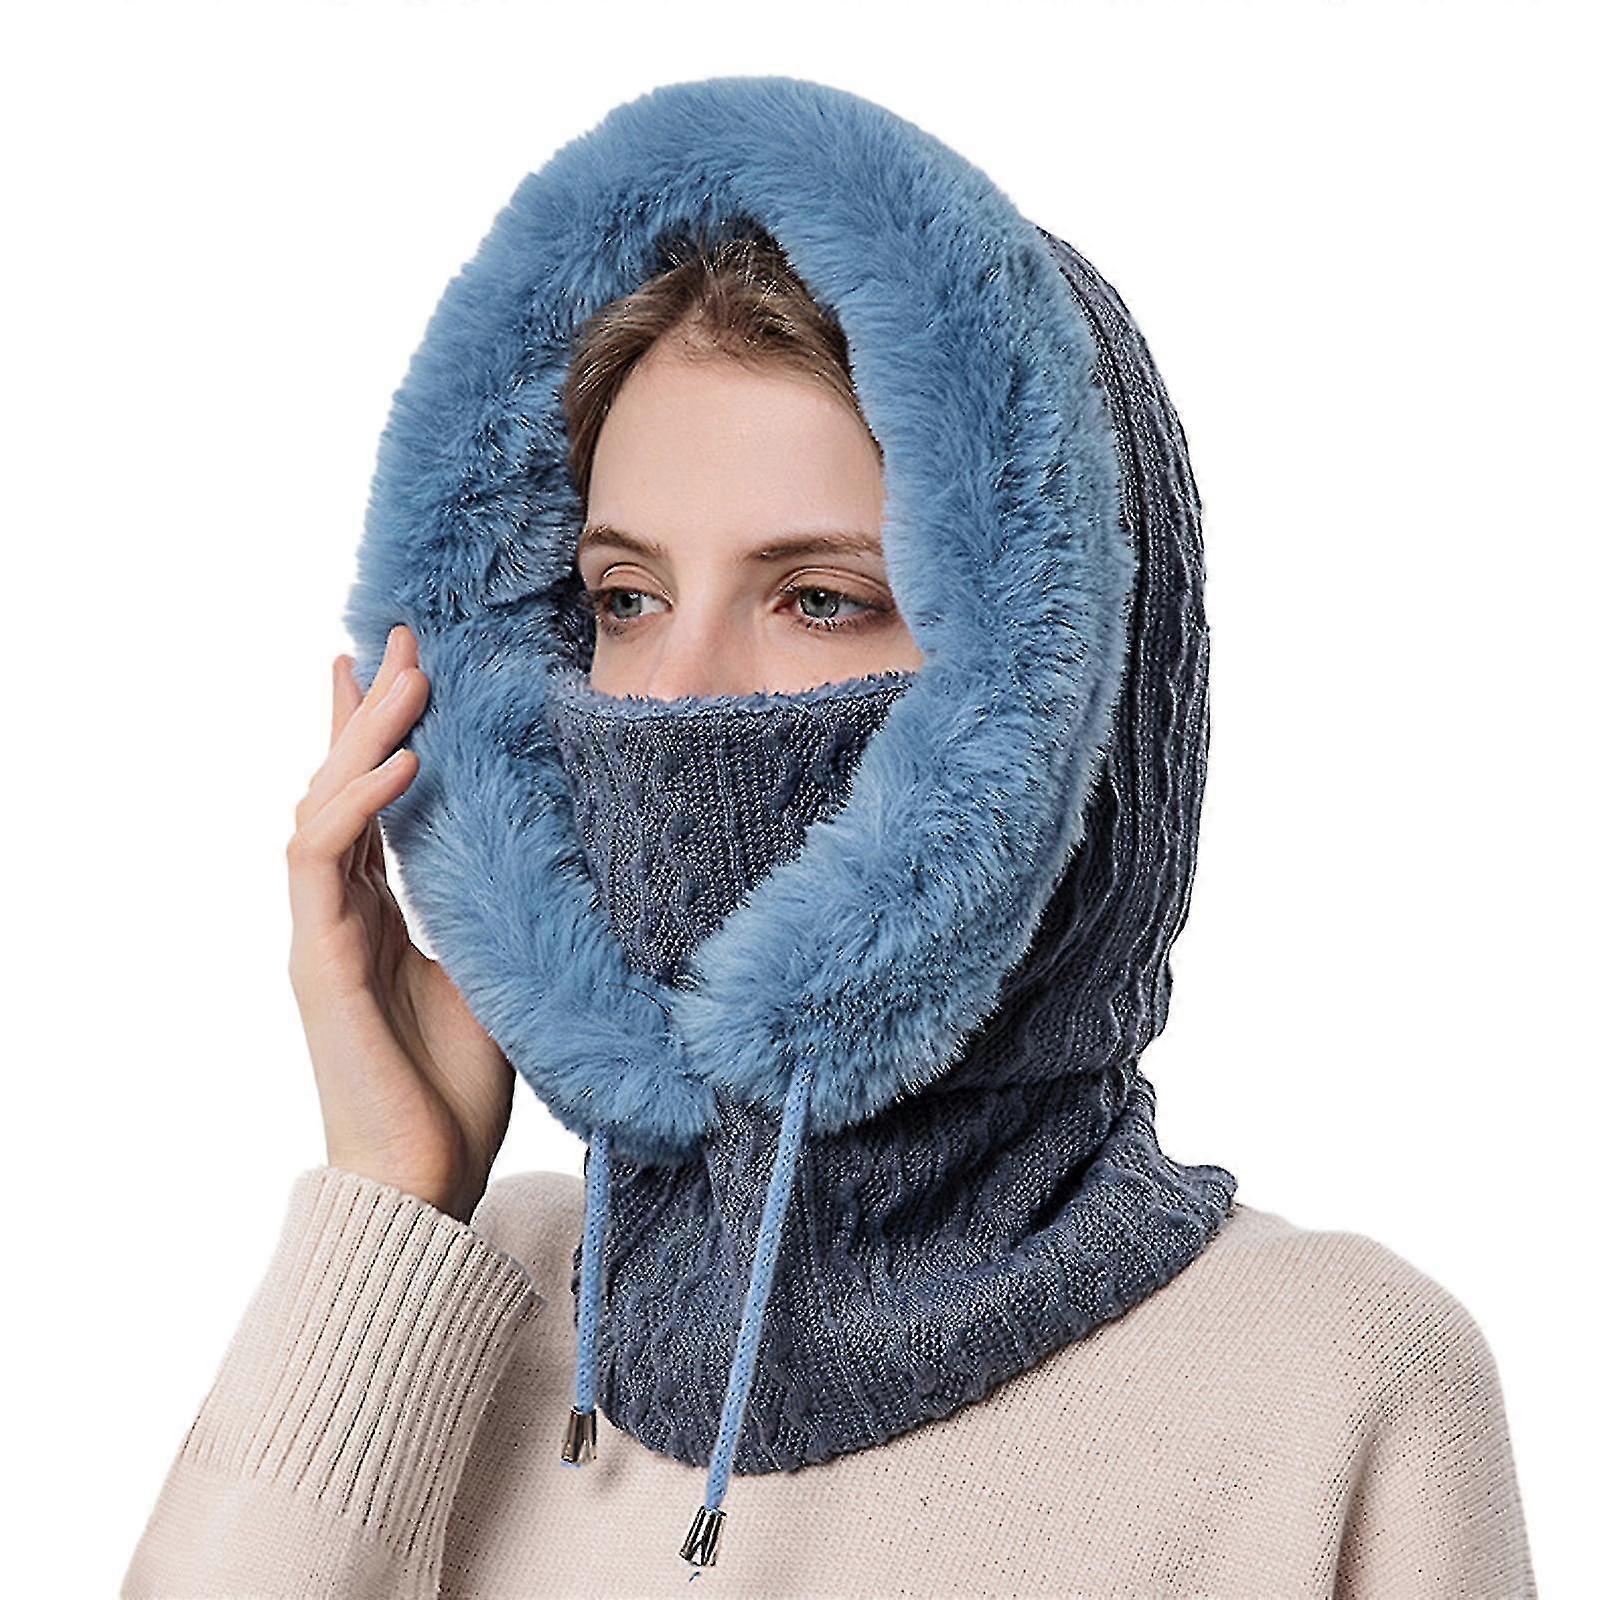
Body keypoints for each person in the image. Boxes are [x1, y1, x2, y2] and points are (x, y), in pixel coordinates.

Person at [122, 75, 1537, 1598]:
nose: (671, 699)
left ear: (1061, 699)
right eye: (624, 599)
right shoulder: (464, 1300)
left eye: (817, 599)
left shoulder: (1334, 1388)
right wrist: (391, 1201)